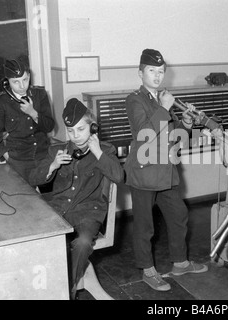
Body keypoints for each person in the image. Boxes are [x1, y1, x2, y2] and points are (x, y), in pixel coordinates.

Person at [124, 48, 208, 292]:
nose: (158, 76)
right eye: (152, 71)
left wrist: (187, 124)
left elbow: (173, 136)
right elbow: (144, 133)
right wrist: (164, 108)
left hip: (166, 171)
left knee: (178, 215)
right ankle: (148, 270)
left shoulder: (161, 99)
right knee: (145, 225)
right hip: (145, 172)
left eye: (161, 71)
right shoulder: (135, 100)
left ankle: (180, 262)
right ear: (140, 73)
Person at [29, 98, 125, 299]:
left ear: (93, 127)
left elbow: (119, 176)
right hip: (58, 210)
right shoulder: (57, 150)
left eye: (81, 130)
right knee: (34, 237)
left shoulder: (105, 150)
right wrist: (52, 166)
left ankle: (67, 291)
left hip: (88, 213)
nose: (76, 136)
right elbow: (33, 178)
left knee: (81, 243)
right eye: (70, 131)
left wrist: (98, 152)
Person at [0, 58, 55, 192]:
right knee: (25, 201)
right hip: (19, 161)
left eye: (25, 80)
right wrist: (7, 156)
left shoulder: (40, 95)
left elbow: (49, 126)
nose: (22, 86)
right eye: (15, 82)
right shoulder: (0, 101)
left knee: (49, 199)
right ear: (7, 82)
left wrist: (33, 112)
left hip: (43, 158)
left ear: (29, 77)